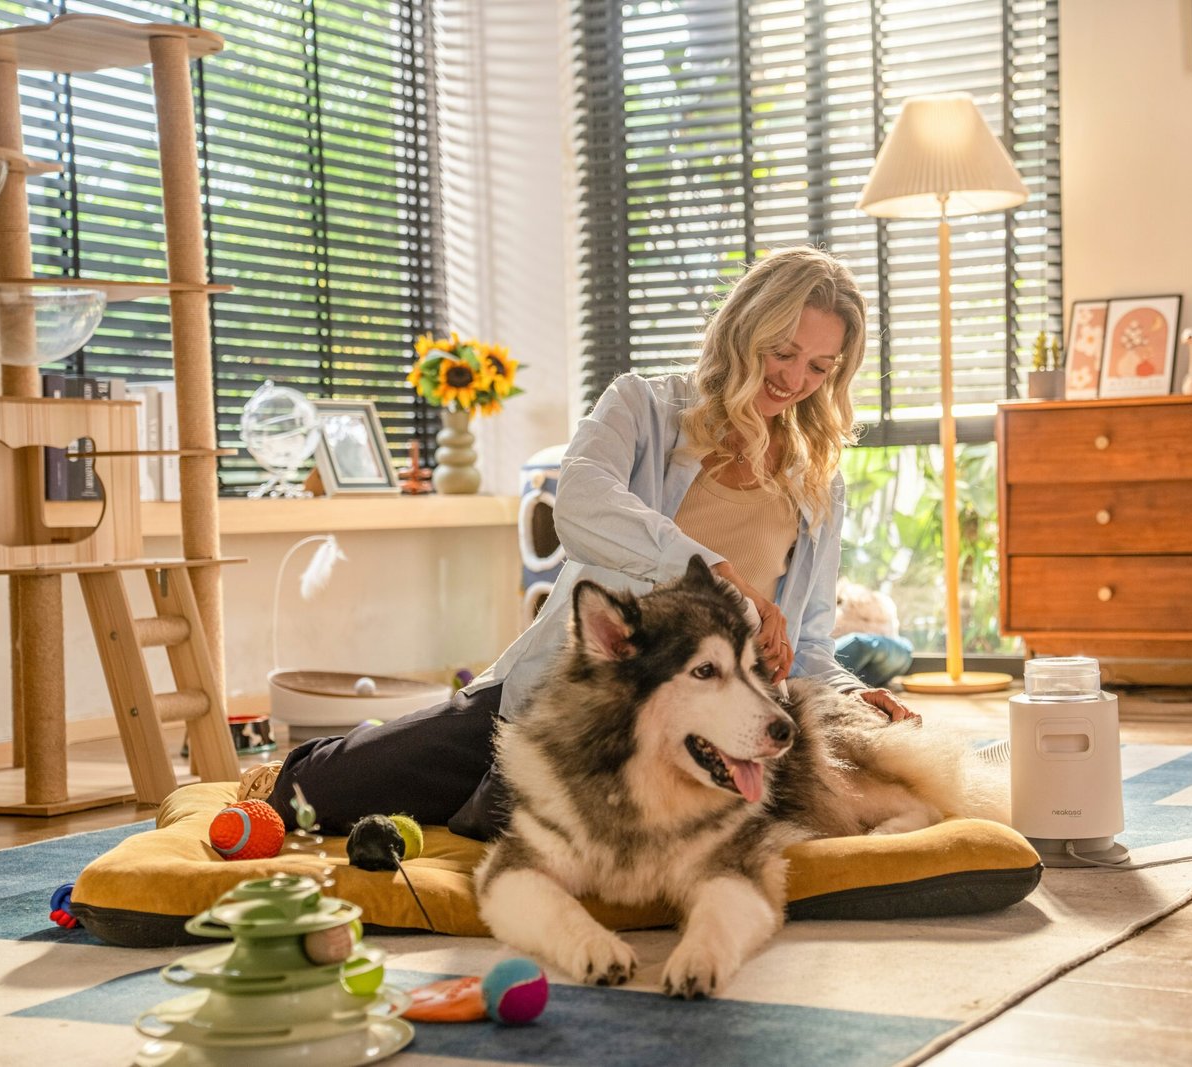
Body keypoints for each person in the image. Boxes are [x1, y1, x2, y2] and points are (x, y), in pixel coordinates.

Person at [248, 246, 914, 840]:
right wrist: (718, 574)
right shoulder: (643, 407)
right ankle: (346, 770)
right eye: (784, 352)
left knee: (512, 817)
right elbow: (581, 504)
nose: (796, 380)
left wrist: (853, 694)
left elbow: (811, 644)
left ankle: (490, 800)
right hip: (561, 688)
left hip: (692, 724)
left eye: (821, 367)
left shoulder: (814, 482)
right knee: (315, 794)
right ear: (746, 331)